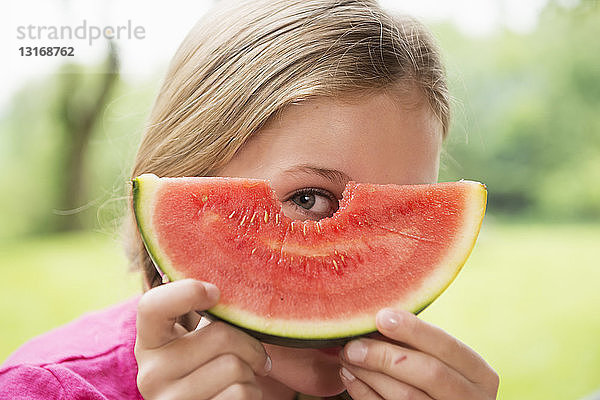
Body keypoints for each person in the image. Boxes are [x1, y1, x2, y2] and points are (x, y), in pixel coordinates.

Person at [0, 0, 499, 399]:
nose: (358, 271)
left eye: (400, 217)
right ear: (186, 179)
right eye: (308, 200)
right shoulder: (45, 389)